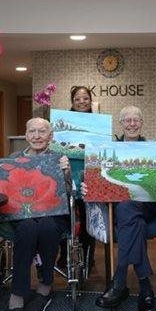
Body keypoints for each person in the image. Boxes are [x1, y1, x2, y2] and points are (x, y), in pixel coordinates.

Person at [90, 105, 156, 311]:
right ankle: (145, 287)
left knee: (128, 210)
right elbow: (101, 180)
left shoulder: (154, 149)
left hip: (148, 205)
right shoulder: (109, 149)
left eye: (136, 120)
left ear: (142, 123)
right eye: (127, 120)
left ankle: (119, 282)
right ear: (121, 124)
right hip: (123, 208)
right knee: (132, 218)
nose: (132, 123)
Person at [4, 117, 71, 311]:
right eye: (32, 131)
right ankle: (17, 298)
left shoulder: (59, 159)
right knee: (28, 228)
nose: (37, 136)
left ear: (50, 136)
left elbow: (70, 194)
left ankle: (44, 288)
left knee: (46, 226)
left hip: (52, 214)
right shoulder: (13, 159)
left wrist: (67, 174)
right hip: (22, 215)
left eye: (42, 132)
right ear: (26, 135)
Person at [56, 86, 97, 272]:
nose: (82, 102)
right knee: (65, 217)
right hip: (68, 172)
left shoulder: (99, 123)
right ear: (72, 101)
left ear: (90, 100)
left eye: (85, 98)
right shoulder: (63, 122)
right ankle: (64, 255)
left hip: (89, 173)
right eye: (78, 99)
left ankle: (88, 256)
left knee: (89, 216)